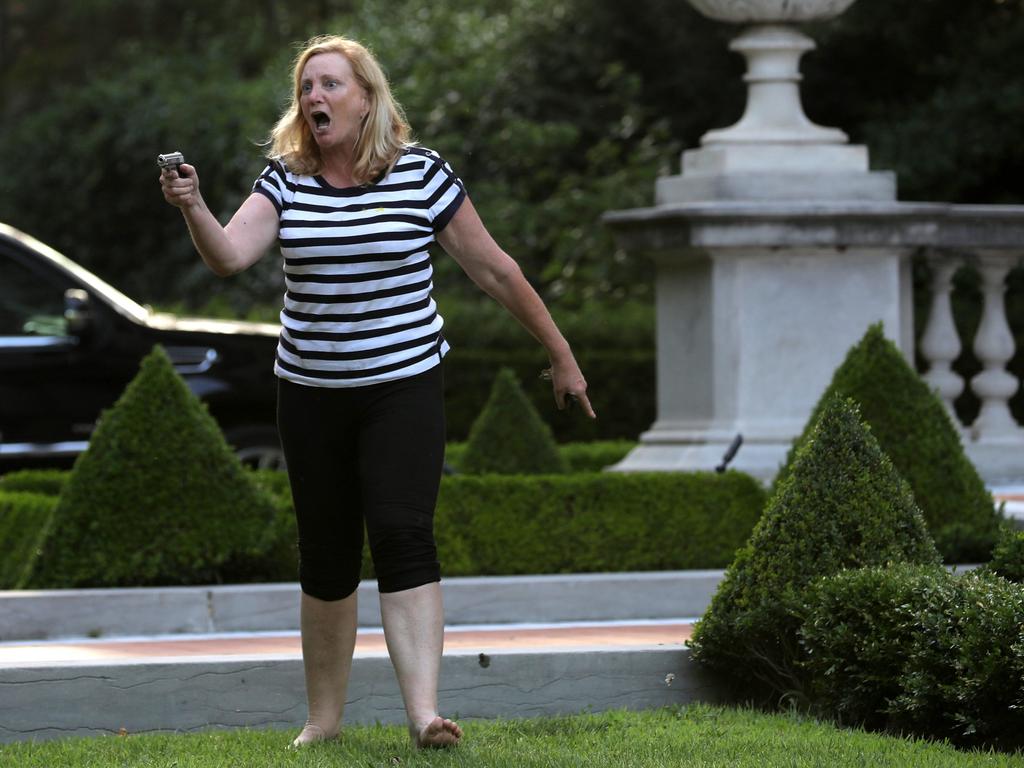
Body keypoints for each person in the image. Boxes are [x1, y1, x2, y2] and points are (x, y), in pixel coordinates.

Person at [160, 34, 595, 750]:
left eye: (330, 85)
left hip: (403, 387)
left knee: (402, 534)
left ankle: (425, 714)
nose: (315, 98)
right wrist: (193, 204)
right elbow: (230, 256)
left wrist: (561, 352)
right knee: (326, 553)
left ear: (367, 98)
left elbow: (494, 270)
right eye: (307, 88)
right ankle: (322, 722)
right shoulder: (285, 180)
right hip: (310, 393)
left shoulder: (422, 175)